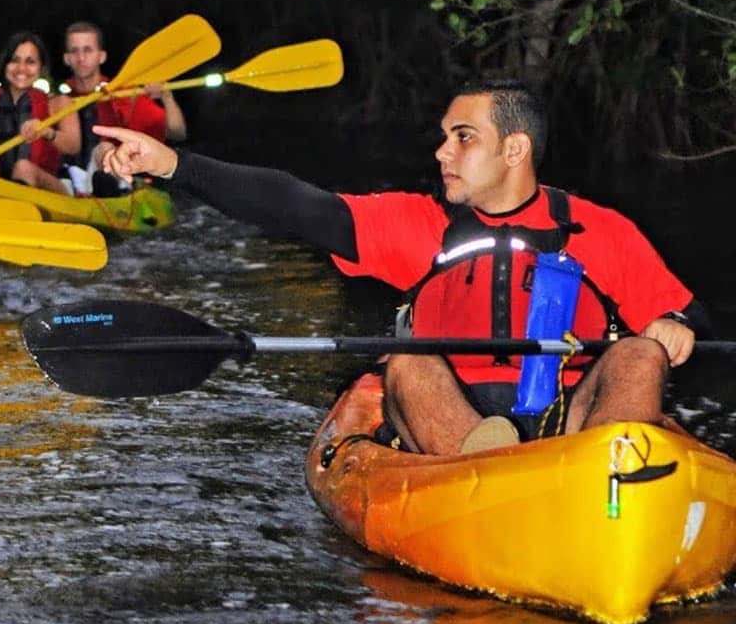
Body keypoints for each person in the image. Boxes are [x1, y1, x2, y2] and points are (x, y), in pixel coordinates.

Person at [94, 79, 707, 456]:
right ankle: (484, 468)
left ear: (514, 149)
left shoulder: (600, 230)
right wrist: (176, 165)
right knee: (407, 355)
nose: (442, 151)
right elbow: (294, 206)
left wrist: (678, 323)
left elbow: (685, 314)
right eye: (444, 135)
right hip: (451, 422)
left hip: (570, 421)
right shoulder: (420, 227)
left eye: (463, 137)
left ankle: (612, 475)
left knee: (640, 354)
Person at [62, 20, 186, 196]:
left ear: (101, 56)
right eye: (75, 51)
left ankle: (108, 184)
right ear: (66, 58)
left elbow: (177, 133)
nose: (81, 58)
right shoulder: (57, 98)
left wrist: (167, 97)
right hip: (71, 181)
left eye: (88, 50)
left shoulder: (125, 94)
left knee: (103, 148)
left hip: (114, 179)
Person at [0, 31, 80, 194]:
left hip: (50, 186)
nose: (21, 68)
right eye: (14, 60)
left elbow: (73, 147)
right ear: (5, 65)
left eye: (30, 62)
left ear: (41, 67)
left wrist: (47, 132)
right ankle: (2, 204)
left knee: (23, 168)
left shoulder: (58, 102)